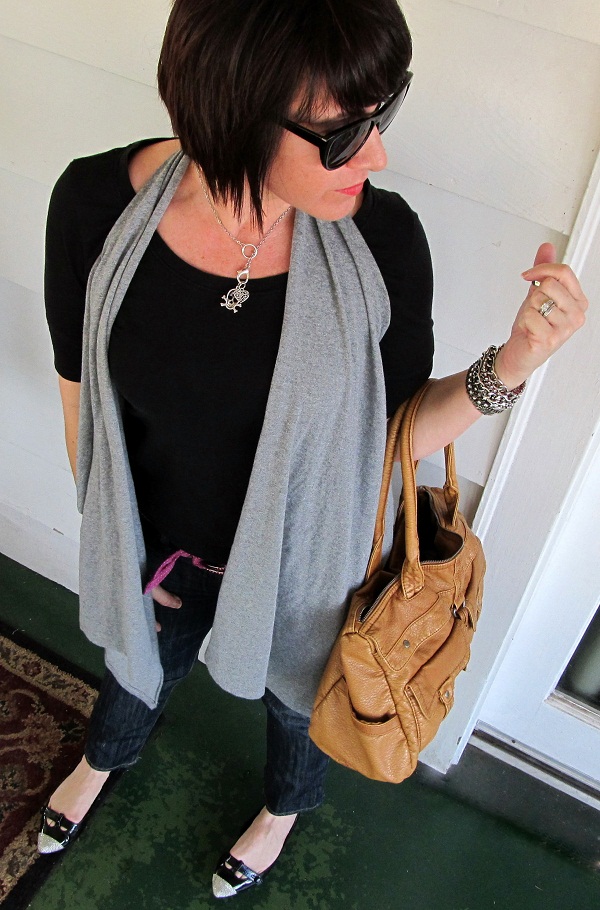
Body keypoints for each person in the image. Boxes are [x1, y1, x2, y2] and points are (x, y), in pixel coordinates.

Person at [40, 0, 588, 899]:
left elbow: (394, 436)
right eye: (342, 135)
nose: (377, 157)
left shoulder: (382, 243)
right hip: (162, 553)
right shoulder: (97, 207)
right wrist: (116, 544)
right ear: (234, 111)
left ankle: (282, 810)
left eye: (385, 114)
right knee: (137, 667)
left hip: (313, 575)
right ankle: (103, 759)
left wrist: (516, 362)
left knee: (303, 710)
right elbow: (80, 397)